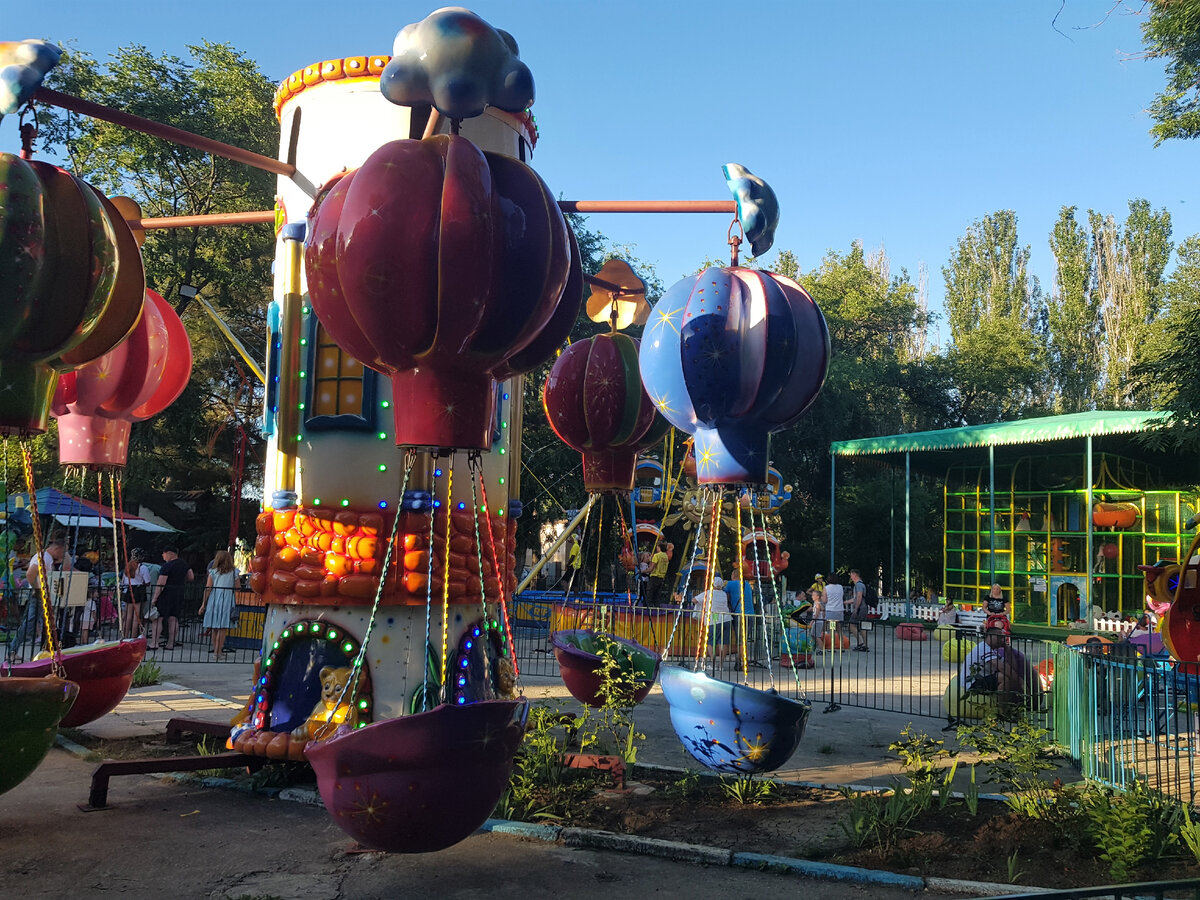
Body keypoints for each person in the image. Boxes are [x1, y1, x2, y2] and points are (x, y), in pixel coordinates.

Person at [10, 535, 72, 660]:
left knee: (44, 623)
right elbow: (30, 573)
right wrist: (37, 588)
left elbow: (66, 568)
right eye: (63, 551)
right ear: (57, 549)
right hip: (39, 595)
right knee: (30, 623)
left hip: (44, 595)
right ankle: (12, 650)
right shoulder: (44, 558)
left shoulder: (48, 558)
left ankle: (43, 650)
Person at [959, 622, 1038, 711]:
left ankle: (1014, 707)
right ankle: (1002, 711)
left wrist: (1007, 648)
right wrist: (1021, 682)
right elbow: (1002, 667)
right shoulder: (983, 648)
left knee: (1010, 676)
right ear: (990, 636)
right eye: (999, 637)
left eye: (1003, 637)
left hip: (982, 679)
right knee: (1004, 677)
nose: (1002, 640)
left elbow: (1011, 667)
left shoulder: (993, 651)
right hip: (972, 682)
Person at [152, 547, 193, 651]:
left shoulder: (167, 566)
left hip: (166, 593)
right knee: (173, 618)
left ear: (170, 554)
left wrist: (155, 598)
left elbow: (161, 583)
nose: (163, 556)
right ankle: (170, 643)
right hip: (178, 592)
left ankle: (154, 643)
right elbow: (191, 577)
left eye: (164, 553)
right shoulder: (184, 564)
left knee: (158, 618)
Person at [199, 550, 239, 656]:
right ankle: (219, 651)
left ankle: (215, 650)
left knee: (214, 626)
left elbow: (208, 588)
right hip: (227, 599)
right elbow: (238, 587)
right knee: (223, 627)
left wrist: (203, 604)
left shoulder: (213, 572)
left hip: (214, 598)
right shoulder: (234, 572)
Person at [725, 565, 758, 665]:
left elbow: (724, 597)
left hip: (740, 615)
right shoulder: (747, 584)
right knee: (744, 640)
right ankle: (743, 661)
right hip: (751, 615)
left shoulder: (730, 584)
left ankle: (740, 663)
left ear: (733, 575)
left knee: (740, 641)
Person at [692, 575, 732, 657]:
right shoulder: (724, 594)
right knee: (723, 642)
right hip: (727, 619)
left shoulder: (708, 593)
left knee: (711, 641)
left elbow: (694, 600)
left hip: (714, 619)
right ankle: (721, 664)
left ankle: (713, 662)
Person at [120, 549, 153, 641]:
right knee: (136, 616)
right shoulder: (142, 567)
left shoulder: (128, 566)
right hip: (138, 590)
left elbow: (123, 580)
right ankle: (134, 636)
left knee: (128, 616)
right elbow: (147, 581)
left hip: (128, 590)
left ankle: (125, 635)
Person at [848, 568, 869, 651]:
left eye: (851, 575)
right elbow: (856, 598)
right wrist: (846, 602)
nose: (851, 577)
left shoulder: (858, 585)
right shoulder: (862, 584)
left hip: (860, 608)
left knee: (851, 624)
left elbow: (859, 597)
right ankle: (865, 644)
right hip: (864, 607)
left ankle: (860, 642)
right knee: (862, 626)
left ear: (855, 574)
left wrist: (856, 609)